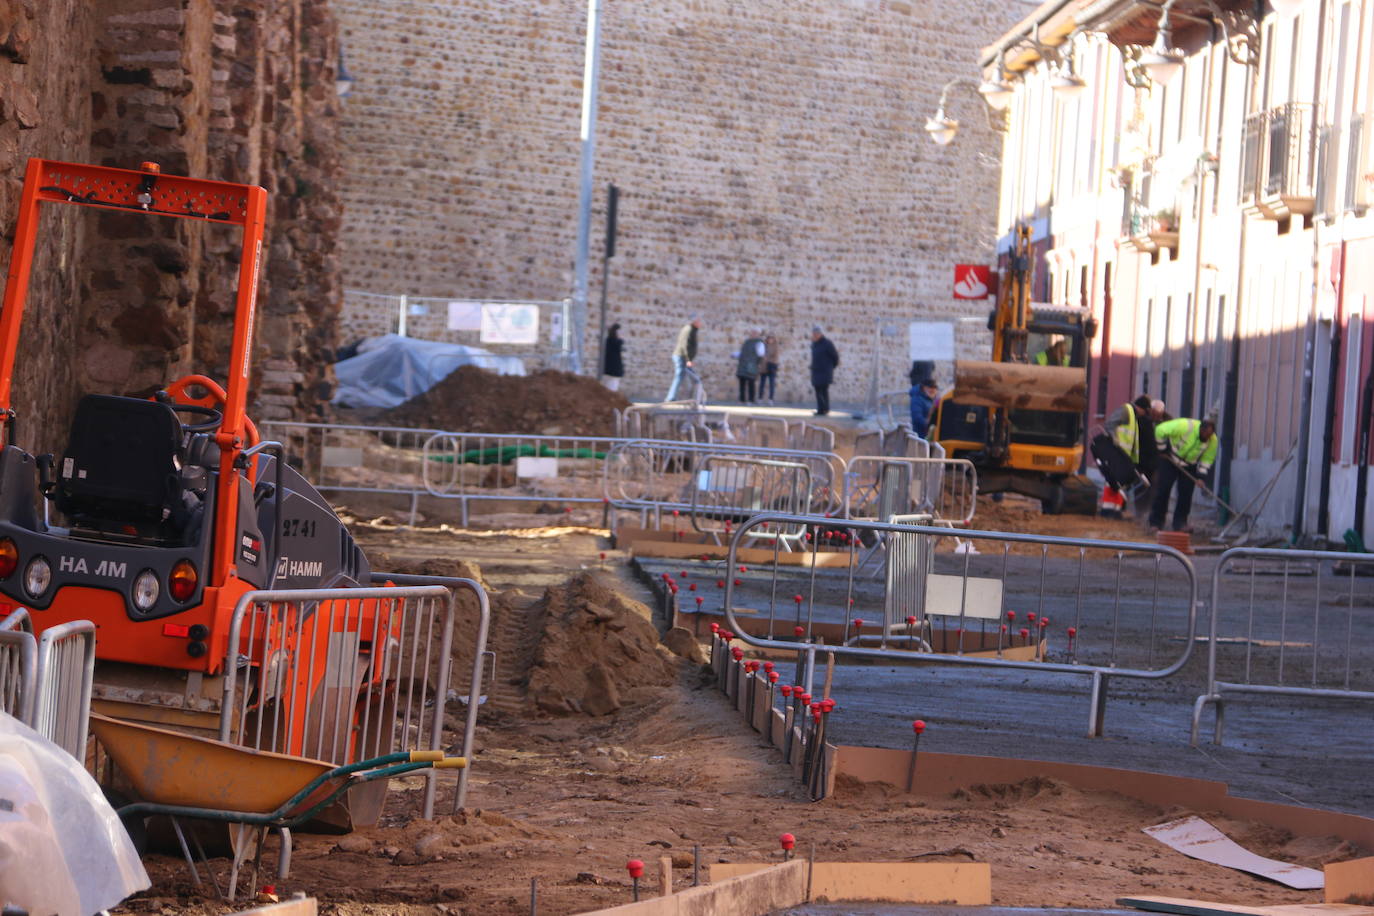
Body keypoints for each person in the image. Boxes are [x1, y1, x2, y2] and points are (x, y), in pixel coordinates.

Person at [1149, 416, 1219, 532]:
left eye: (1209, 435)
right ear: (1201, 429)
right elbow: (1160, 430)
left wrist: (1201, 477)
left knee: (1186, 494)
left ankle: (1180, 523)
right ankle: (1156, 522)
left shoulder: (1212, 441)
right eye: (1205, 434)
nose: (1207, 438)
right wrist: (1162, 449)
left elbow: (1207, 460)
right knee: (1163, 489)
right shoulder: (1184, 426)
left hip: (1189, 465)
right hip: (1170, 459)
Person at [665, 316, 701, 401]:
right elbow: (685, 345)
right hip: (681, 356)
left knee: (691, 378)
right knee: (681, 376)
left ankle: (693, 398)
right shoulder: (689, 329)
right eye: (698, 321)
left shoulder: (691, 329)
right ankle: (671, 397)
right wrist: (688, 360)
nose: (700, 323)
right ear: (694, 321)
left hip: (683, 357)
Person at [809, 326, 839, 416]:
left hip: (825, 371)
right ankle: (820, 409)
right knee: (818, 390)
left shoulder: (827, 343)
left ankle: (825, 409)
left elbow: (835, 357)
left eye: (815, 334)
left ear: (820, 334)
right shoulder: (814, 344)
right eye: (813, 334)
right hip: (816, 371)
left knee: (824, 391)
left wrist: (830, 367)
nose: (814, 336)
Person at [735, 328, 765, 403]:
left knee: (751, 382)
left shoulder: (759, 343)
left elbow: (761, 354)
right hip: (743, 364)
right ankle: (742, 399)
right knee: (742, 382)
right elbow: (743, 352)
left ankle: (751, 399)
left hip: (752, 364)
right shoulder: (747, 342)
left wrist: (757, 363)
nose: (753, 334)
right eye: (752, 332)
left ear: (758, 334)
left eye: (755, 332)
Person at [602, 322, 624, 392]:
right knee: (612, 390)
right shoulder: (616, 342)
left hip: (607, 370)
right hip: (614, 371)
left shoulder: (607, 341)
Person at [760, 334, 780, 405]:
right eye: (769, 339)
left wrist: (767, 359)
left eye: (771, 339)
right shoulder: (764, 346)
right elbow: (761, 355)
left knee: (771, 384)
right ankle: (760, 398)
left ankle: (771, 399)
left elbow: (775, 357)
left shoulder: (776, 347)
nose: (770, 340)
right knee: (762, 383)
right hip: (764, 367)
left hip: (771, 367)